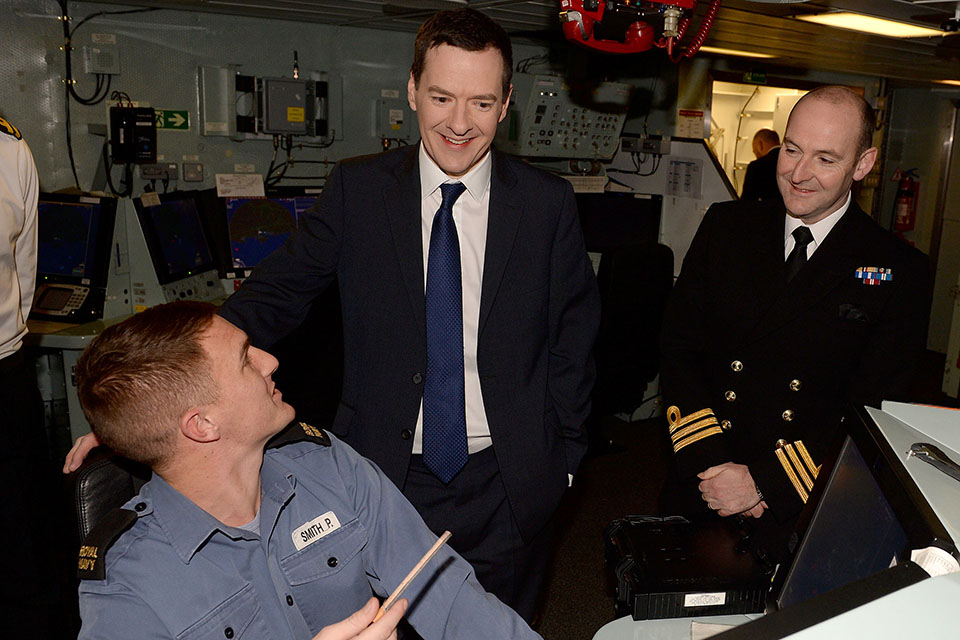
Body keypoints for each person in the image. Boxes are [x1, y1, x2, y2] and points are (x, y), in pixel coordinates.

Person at [65, 9, 600, 620]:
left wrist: (560, 465)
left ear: (506, 104)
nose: (458, 123)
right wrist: (151, 397)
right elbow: (276, 294)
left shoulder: (545, 205)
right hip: (381, 477)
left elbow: (572, 342)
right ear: (411, 92)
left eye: (480, 103)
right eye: (441, 97)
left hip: (508, 482)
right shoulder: (359, 191)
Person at [73, 301, 541, 640]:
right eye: (244, 360)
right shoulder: (129, 587)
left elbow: (448, 595)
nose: (270, 361)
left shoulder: (326, 464)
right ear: (202, 425)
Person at [659, 86, 930, 559]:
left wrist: (764, 483)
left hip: (801, 500)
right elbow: (680, 349)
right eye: (791, 150)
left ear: (862, 165)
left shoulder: (897, 269)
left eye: (825, 159)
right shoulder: (726, 228)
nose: (799, 174)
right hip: (704, 479)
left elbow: (874, 410)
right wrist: (712, 465)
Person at [0, 116, 61, 637]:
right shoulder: (9, 146)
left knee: (21, 544)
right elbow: (24, 273)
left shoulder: (10, 146)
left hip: (3, 375)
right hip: (4, 367)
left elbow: (24, 270)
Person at [740, 128, 782, 204]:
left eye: (755, 152)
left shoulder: (757, 167)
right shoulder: (794, 161)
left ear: (760, 145)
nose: (756, 156)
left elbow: (746, 203)